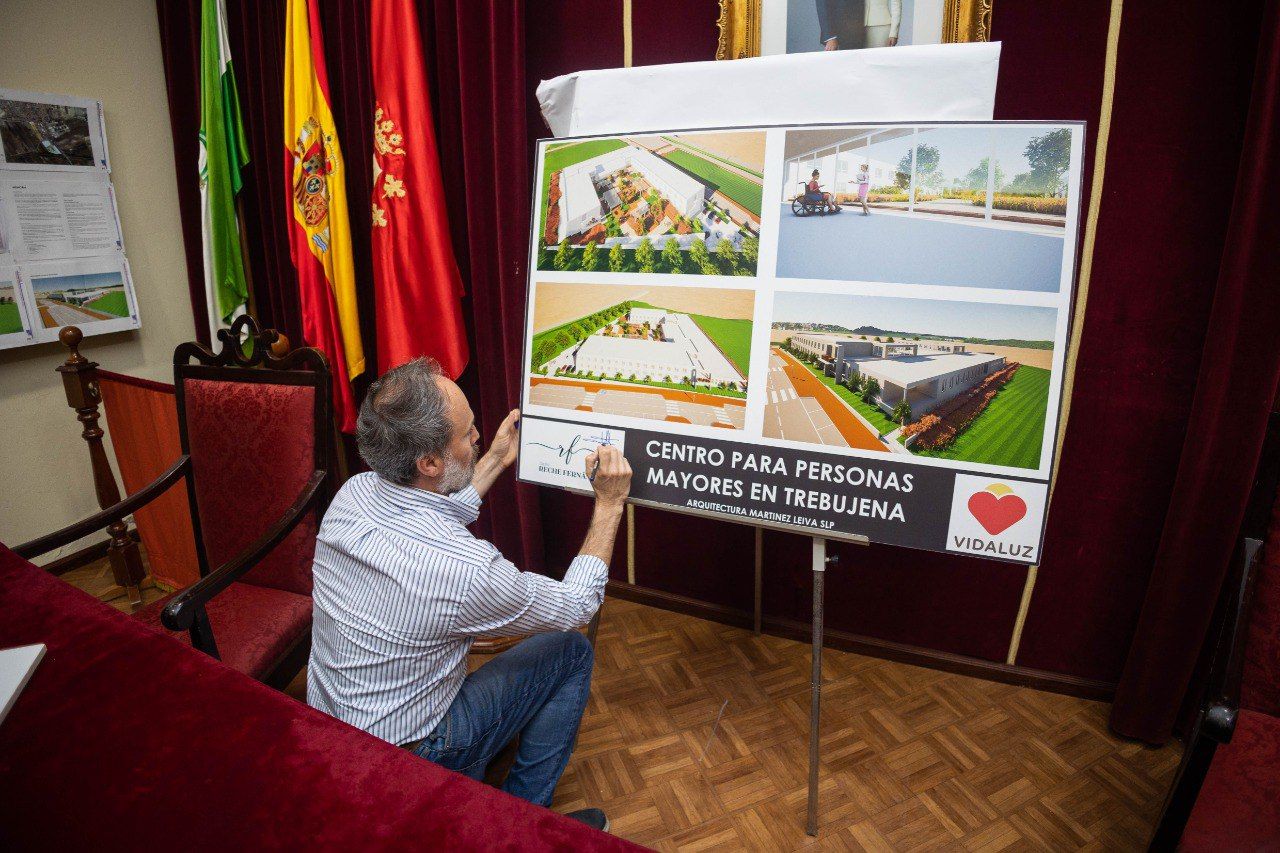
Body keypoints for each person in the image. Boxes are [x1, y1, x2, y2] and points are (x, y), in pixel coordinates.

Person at [307, 357, 632, 833]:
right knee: (571, 652)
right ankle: (521, 827)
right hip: (411, 761)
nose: (479, 434)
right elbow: (577, 604)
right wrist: (608, 503)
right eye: (469, 431)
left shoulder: (354, 494)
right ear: (431, 462)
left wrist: (497, 459)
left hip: (336, 735)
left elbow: (434, 516)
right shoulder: (466, 571)